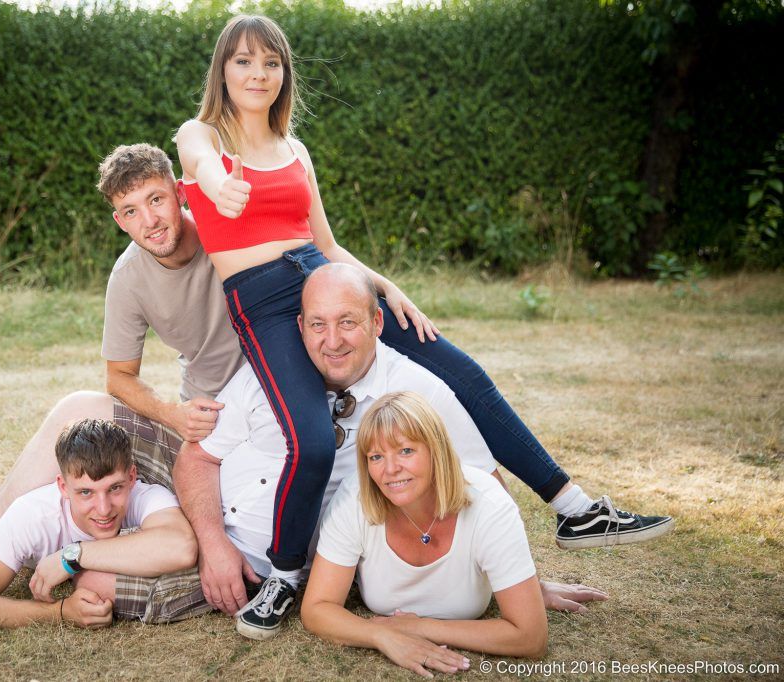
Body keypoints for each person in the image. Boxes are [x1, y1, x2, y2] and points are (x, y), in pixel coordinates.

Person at [175, 14, 671, 636]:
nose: (259, 74)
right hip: (266, 301)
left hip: (323, 276)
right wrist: (219, 187)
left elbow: (325, 244)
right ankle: (285, 576)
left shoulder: (295, 150)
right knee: (313, 440)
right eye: (245, 61)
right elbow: (202, 165)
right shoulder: (202, 137)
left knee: (461, 371)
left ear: (284, 75)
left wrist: (385, 285)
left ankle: (575, 509)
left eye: (271, 63)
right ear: (223, 70)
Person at [174, 263, 618, 640]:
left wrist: (522, 583)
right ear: (299, 327)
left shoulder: (417, 389)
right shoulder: (266, 376)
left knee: (128, 583)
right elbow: (197, 457)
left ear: (377, 323)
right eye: (317, 324)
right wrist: (212, 544)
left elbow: (484, 484)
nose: (332, 341)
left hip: (268, 574)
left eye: (348, 322)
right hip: (200, 527)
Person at [0, 143, 238, 586]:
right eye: (130, 211)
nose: (149, 221)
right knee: (78, 408)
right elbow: (118, 378)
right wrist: (173, 415)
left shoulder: (229, 236)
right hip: (199, 425)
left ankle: (65, 548)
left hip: (260, 410)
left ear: (180, 193)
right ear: (118, 220)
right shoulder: (128, 277)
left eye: (156, 200)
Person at [301, 392, 547, 675]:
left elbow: (531, 637)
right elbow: (317, 608)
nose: (390, 470)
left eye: (406, 451)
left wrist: (420, 627)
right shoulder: (354, 500)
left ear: (436, 450)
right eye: (376, 456)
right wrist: (383, 636)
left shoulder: (489, 506)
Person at [0, 418, 207, 632]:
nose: (103, 509)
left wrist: (72, 555)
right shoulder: (32, 515)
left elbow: (181, 548)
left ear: (132, 477)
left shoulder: (146, 495)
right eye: (85, 493)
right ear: (62, 487)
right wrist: (60, 612)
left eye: (114, 488)